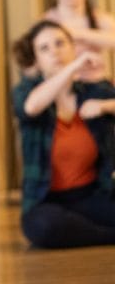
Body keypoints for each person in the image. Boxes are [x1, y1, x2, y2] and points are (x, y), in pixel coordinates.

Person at [11, 19, 115, 248]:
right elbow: (31, 107)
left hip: (92, 194)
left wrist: (105, 105)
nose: (55, 52)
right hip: (46, 201)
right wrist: (73, 67)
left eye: (60, 43)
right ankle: (106, 236)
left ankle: (87, 231)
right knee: (44, 227)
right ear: (36, 59)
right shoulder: (26, 91)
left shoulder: (92, 90)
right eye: (44, 48)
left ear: (72, 47)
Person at [42, 0, 115, 82]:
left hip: (95, 83)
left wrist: (78, 34)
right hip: (62, 84)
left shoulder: (98, 17)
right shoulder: (47, 20)